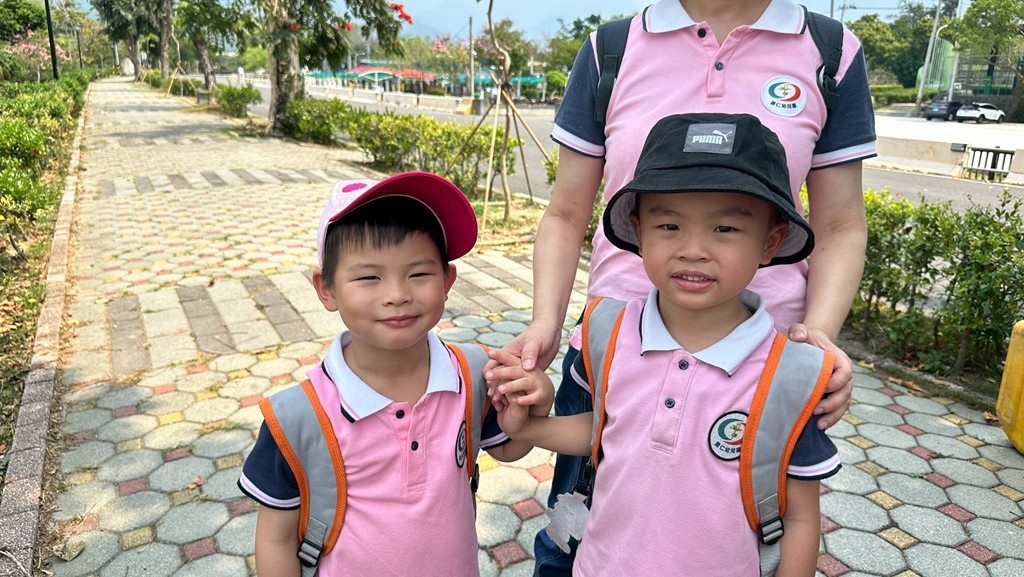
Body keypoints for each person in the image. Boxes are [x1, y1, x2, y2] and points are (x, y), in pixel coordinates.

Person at [494, 1, 876, 572]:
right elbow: (566, 212)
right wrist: (545, 325)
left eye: (725, 228)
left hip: (759, 367)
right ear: (638, 228)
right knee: (574, 532)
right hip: (613, 354)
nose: (694, 248)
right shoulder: (612, 49)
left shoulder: (829, 51)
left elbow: (841, 223)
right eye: (668, 225)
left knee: (733, 522)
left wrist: (815, 339)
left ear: (771, 241)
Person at [237, 172, 547, 576]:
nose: (398, 295)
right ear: (326, 288)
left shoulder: (472, 374)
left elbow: (509, 448)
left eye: (419, 274)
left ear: (448, 280)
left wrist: (533, 404)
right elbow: (276, 539)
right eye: (369, 277)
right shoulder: (299, 418)